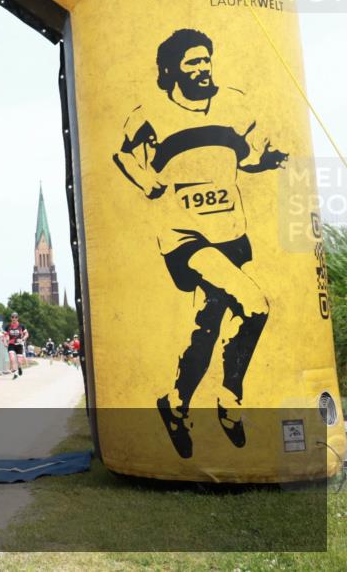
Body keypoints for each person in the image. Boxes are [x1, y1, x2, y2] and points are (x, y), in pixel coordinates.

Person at [113, 29, 285, 459]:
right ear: (170, 69)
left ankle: (174, 404)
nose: (202, 67)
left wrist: (267, 160)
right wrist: (146, 179)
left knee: (206, 330)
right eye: (192, 62)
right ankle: (230, 399)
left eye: (206, 59)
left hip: (231, 232)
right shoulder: (150, 112)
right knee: (256, 304)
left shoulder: (234, 104)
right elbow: (124, 154)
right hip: (185, 237)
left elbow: (245, 158)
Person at [5, 313, 29, 378]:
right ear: (11, 318)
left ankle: (19, 367)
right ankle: (15, 372)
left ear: (17, 318)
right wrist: (6, 341)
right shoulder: (8, 326)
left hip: (19, 344)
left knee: (19, 361)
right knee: (12, 358)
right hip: (11, 344)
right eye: (12, 317)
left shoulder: (21, 326)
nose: (14, 319)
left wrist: (23, 339)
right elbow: (6, 335)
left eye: (15, 317)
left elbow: (26, 334)